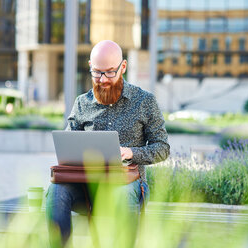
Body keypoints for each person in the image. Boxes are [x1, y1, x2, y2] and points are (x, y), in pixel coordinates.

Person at [46, 40, 170, 247]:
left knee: (121, 194)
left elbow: (163, 149)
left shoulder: (145, 101)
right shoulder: (82, 103)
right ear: (90, 67)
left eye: (110, 72)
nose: (103, 79)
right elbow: (68, 143)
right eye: (97, 72)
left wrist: (131, 152)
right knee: (55, 191)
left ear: (123, 67)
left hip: (129, 184)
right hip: (86, 187)